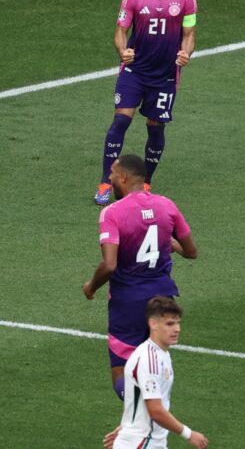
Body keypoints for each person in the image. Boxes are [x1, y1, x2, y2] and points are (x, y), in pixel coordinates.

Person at [83, 154, 197, 400]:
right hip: (163, 299)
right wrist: (168, 240)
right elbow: (191, 252)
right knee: (154, 368)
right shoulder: (167, 205)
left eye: (112, 174)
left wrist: (91, 286)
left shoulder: (112, 213)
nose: (110, 178)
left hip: (128, 303)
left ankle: (142, 416)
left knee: (121, 372)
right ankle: (154, 415)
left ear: (123, 177)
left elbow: (109, 264)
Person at [95, 0, 198, 206]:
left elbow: (189, 34)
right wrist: (122, 51)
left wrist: (186, 53)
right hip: (135, 71)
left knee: (156, 126)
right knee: (120, 122)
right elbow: (120, 30)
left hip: (165, 75)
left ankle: (146, 182)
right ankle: (106, 182)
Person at [102, 297, 209, 449]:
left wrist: (128, 427)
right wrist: (189, 434)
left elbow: (139, 399)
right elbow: (156, 410)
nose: (177, 329)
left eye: (178, 322)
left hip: (146, 442)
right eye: (170, 324)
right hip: (142, 443)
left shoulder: (161, 354)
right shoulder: (149, 359)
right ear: (153, 324)